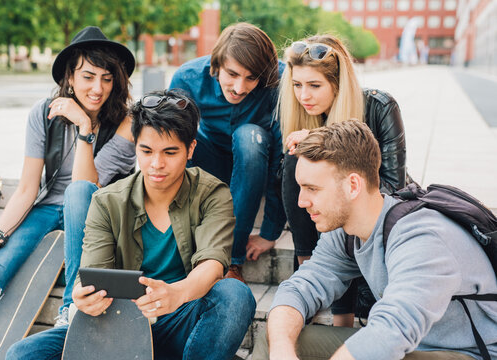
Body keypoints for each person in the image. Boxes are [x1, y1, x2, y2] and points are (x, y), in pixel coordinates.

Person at [6, 90, 256, 360]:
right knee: (23, 353)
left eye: (170, 152)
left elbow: (213, 265)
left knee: (235, 294)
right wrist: (84, 298)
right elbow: (92, 272)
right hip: (117, 325)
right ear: (136, 144)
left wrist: (176, 293)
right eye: (146, 151)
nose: (156, 164)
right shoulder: (107, 202)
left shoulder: (212, 193)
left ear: (190, 149)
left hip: (181, 319)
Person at [253, 120, 497, 360]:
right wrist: (282, 350)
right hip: (413, 345)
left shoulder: (421, 238)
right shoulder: (345, 232)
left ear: (353, 186)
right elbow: (301, 287)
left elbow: (391, 331)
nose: (301, 202)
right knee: (276, 338)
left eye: (312, 189)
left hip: (467, 353)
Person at [0, 26, 136, 353]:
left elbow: (87, 187)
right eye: (88, 76)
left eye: (107, 78)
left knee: (75, 195)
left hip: (93, 212)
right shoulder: (43, 112)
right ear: (69, 78)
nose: (98, 88)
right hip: (45, 211)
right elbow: (27, 188)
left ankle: (70, 313)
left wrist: (84, 128)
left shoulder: (126, 122)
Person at [279, 34, 407, 326]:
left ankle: (342, 316)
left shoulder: (379, 106)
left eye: (314, 85)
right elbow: (298, 194)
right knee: (294, 162)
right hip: (324, 233)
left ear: (338, 84)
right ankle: (308, 269)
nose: (303, 96)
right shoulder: (303, 117)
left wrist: (323, 143)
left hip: (376, 214)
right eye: (297, 85)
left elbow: (392, 188)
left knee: (340, 201)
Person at [169, 22, 286, 283]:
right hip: (209, 157)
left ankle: (232, 261)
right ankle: (181, 248)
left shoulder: (281, 81)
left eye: (251, 78)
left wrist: (269, 231)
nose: (239, 88)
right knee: (178, 138)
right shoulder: (186, 78)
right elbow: (165, 146)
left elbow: (282, 158)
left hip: (255, 158)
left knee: (249, 136)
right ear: (216, 65)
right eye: (232, 74)